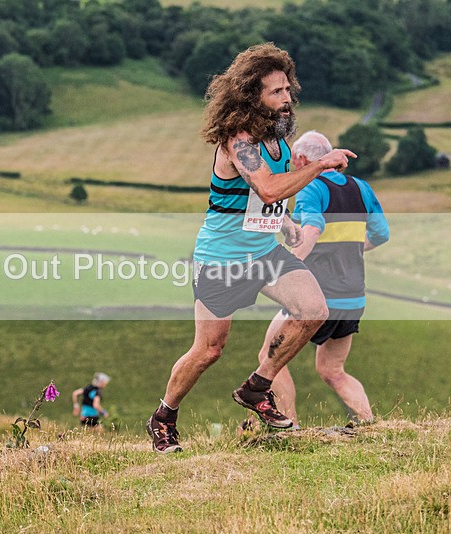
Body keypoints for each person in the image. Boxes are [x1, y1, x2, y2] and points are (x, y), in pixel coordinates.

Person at [146, 43, 357, 453]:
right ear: (251, 97)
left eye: (287, 90)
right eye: (275, 92)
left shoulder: (277, 141)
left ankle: (258, 387)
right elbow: (267, 186)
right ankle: (163, 417)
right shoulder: (237, 139)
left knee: (313, 309)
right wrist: (320, 165)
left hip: (262, 252)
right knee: (209, 350)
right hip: (221, 260)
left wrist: (286, 222)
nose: (286, 100)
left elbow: (262, 200)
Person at [251, 130, 389, 428]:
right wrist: (350, 247)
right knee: (333, 370)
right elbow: (382, 233)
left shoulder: (311, 186)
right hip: (353, 298)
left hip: (317, 296)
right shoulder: (361, 188)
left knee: (269, 357)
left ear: (301, 159)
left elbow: (313, 227)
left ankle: (289, 427)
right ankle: (369, 425)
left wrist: (289, 264)